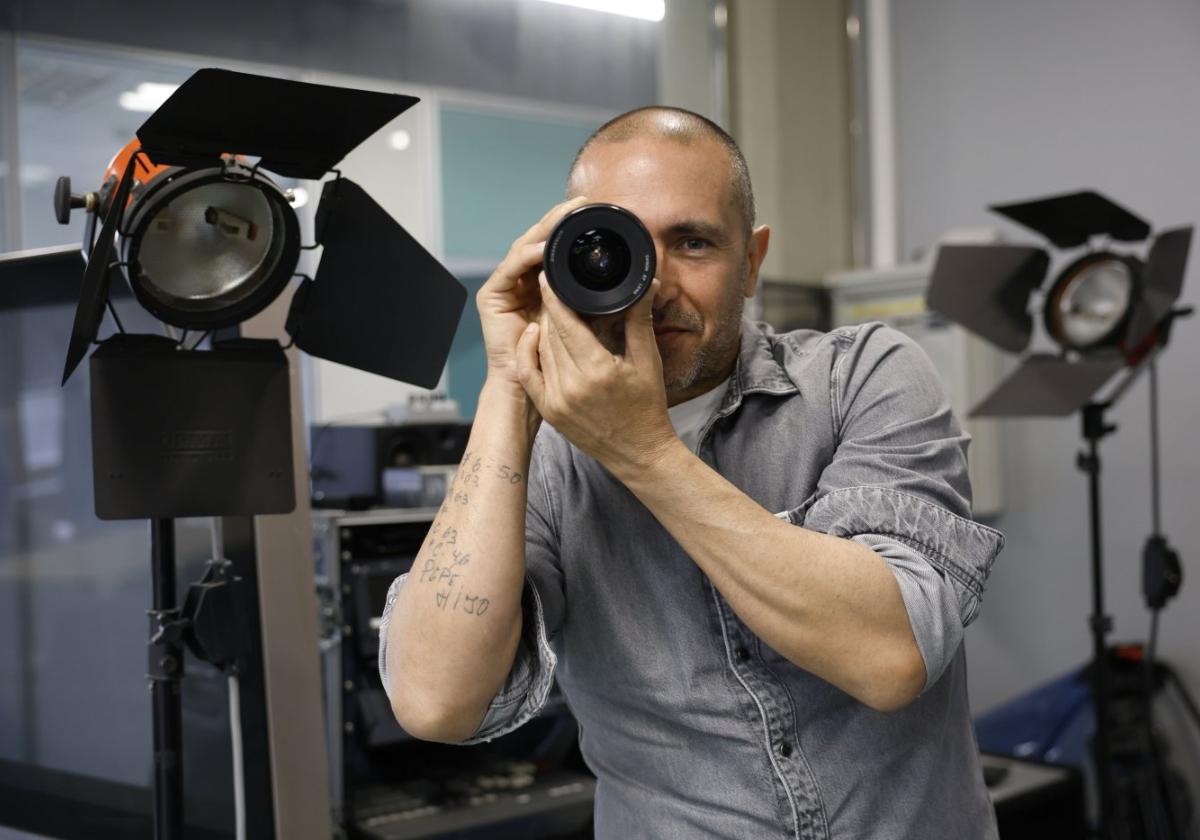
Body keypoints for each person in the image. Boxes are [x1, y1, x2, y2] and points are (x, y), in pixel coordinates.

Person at [379, 106, 1005, 839]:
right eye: (621, 244)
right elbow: (434, 702)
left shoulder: (863, 377)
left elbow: (889, 654)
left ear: (752, 261)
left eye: (693, 242)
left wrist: (643, 452)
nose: (654, 284)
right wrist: (510, 385)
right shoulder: (546, 457)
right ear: (561, 259)